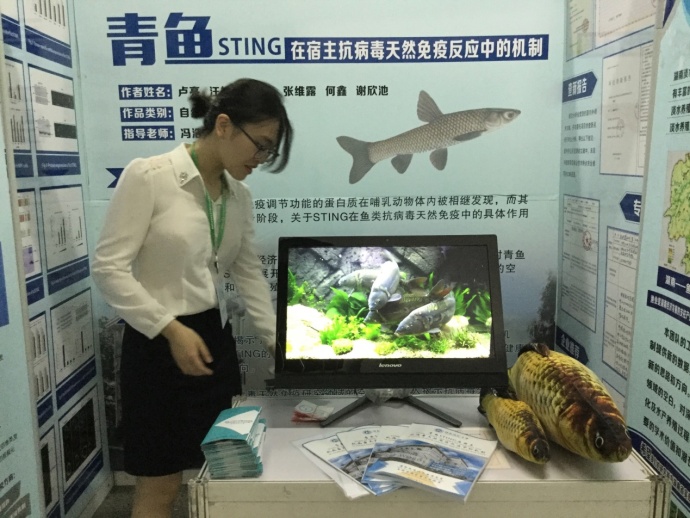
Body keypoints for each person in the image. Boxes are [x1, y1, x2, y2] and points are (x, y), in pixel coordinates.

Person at [92, 78, 292, 518]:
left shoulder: (238, 196)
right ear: (223, 125)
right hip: (157, 346)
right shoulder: (149, 177)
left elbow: (248, 275)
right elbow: (108, 268)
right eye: (260, 145)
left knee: (226, 478)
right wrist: (170, 329)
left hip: (213, 346)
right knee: (160, 485)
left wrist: (280, 346)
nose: (261, 159)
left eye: (269, 151)